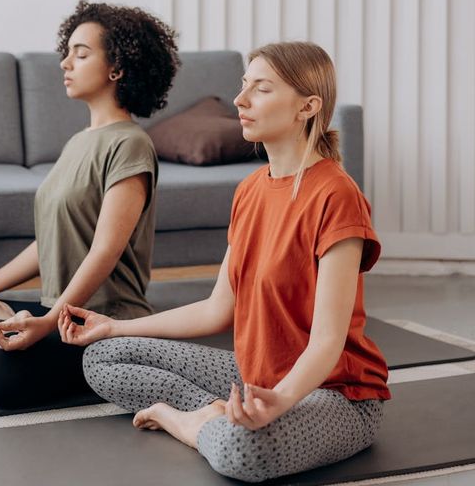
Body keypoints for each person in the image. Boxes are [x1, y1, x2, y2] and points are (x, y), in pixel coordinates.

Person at [58, 41, 391, 483]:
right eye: (243, 85)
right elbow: (218, 309)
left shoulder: (337, 195)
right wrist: (114, 327)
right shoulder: (249, 190)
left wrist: (281, 400)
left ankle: (190, 423)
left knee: (244, 451)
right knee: (103, 357)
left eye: (261, 89)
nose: (240, 100)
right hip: (254, 375)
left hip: (335, 395)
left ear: (307, 107)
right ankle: (216, 413)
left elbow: (328, 341)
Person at [0, 0, 179, 408]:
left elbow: (105, 250)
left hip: (100, 319)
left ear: (117, 67)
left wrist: (50, 322)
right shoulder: (78, 142)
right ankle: (5, 325)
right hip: (56, 309)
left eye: (81, 53)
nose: (65, 63)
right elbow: (53, 239)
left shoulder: (130, 144)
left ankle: (10, 332)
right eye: (67, 52)